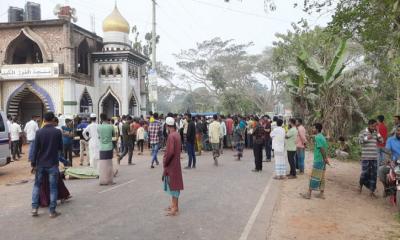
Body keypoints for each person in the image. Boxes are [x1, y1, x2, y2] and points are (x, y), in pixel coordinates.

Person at [31, 112, 63, 218]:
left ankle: (34, 209)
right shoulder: (57, 132)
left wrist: (33, 163)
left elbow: (35, 149)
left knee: (37, 185)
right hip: (52, 164)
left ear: (44, 120)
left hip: (40, 164)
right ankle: (52, 211)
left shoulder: (39, 132)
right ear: (53, 119)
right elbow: (60, 148)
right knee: (53, 187)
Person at [300, 123, 329, 199]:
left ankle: (308, 194)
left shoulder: (318, 138)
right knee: (322, 177)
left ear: (317, 129)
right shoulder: (321, 137)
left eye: (313, 128)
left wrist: (325, 158)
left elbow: (321, 149)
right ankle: (321, 194)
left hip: (319, 160)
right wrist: (325, 159)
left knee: (314, 176)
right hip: (322, 160)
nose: (312, 129)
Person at [162, 117, 183, 216]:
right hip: (176, 163)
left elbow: (170, 152)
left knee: (173, 186)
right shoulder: (177, 134)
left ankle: (174, 208)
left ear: (167, 126)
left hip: (171, 165)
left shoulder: (171, 136)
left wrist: (165, 162)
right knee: (175, 185)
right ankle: (175, 205)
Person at [358, 119, 382, 197]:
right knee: (364, 173)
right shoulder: (363, 132)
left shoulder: (376, 133)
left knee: (374, 175)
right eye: (373, 126)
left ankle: (371, 191)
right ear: (369, 125)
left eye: (375, 126)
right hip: (365, 157)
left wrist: (378, 132)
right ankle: (360, 186)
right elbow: (359, 141)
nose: (374, 127)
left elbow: (382, 141)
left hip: (374, 157)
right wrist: (366, 138)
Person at [378, 125, 400, 197]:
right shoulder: (390, 140)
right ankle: (387, 188)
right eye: (398, 130)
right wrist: (388, 160)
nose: (399, 132)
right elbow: (387, 151)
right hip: (394, 163)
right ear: (396, 131)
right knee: (381, 170)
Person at [98, 113, 115, 185]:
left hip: (101, 147)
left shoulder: (99, 127)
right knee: (109, 164)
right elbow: (113, 135)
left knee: (102, 164)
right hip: (109, 147)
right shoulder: (110, 126)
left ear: (101, 119)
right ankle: (109, 180)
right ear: (106, 118)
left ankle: (102, 180)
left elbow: (99, 136)